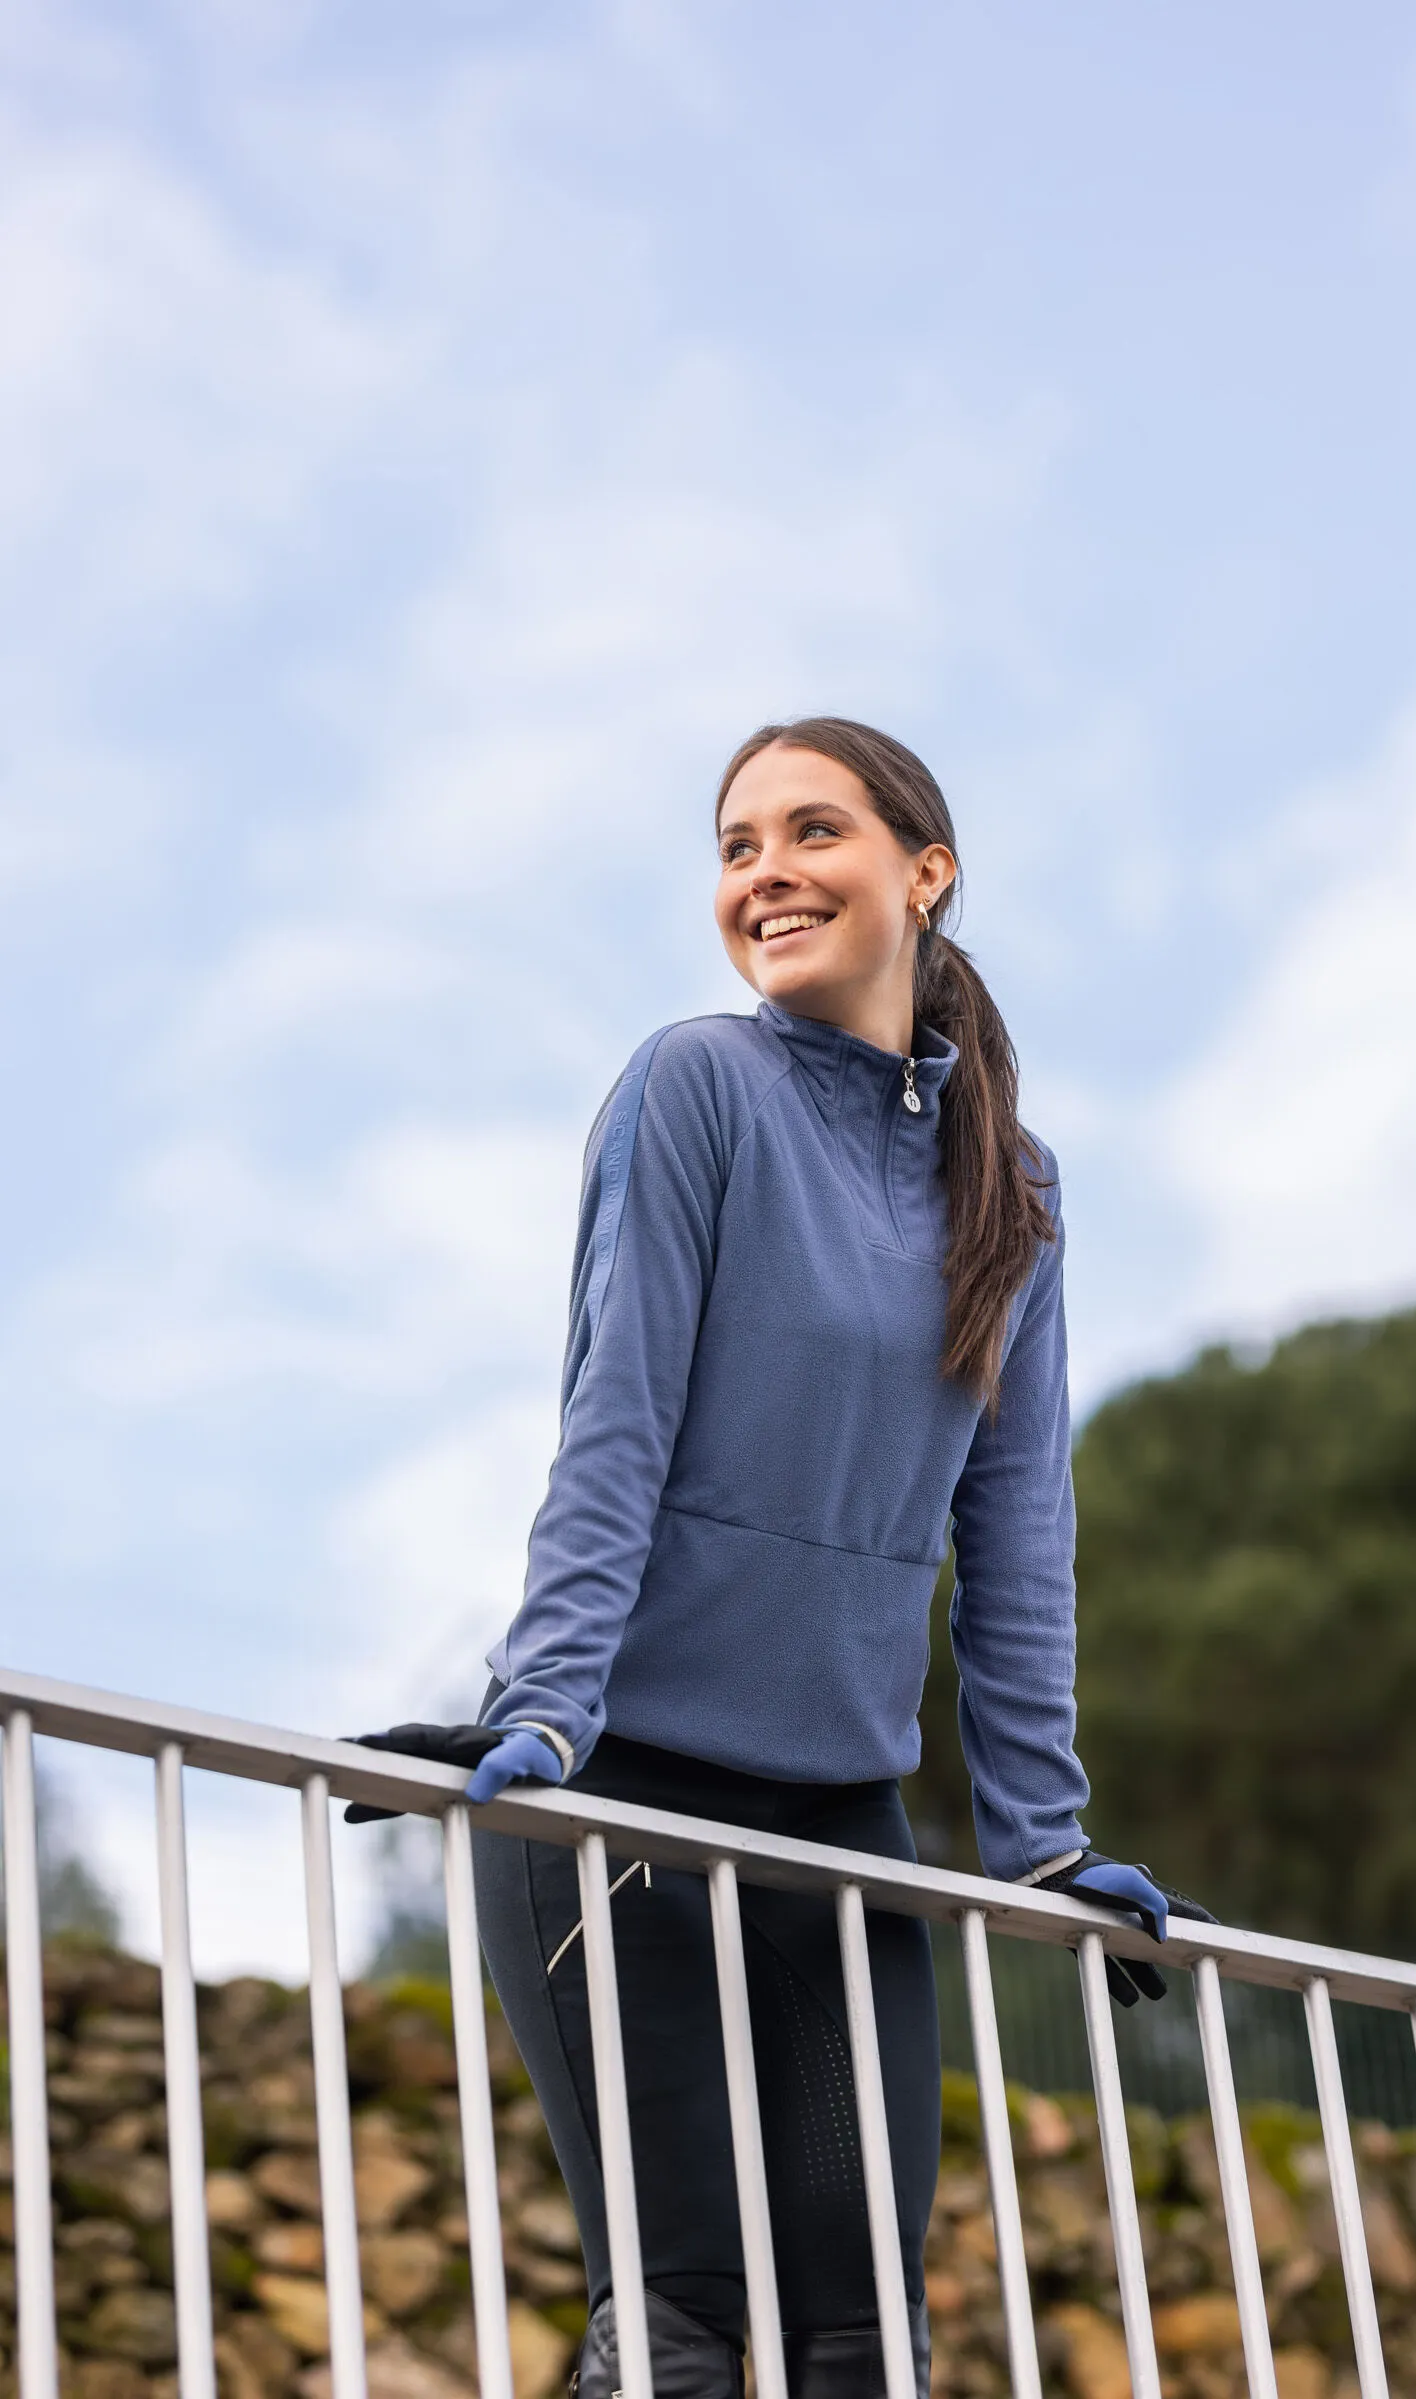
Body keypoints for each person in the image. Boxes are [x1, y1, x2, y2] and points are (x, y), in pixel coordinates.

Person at [356, 720, 1211, 2399]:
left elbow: (1017, 1534)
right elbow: (618, 1421)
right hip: (620, 1799)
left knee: (859, 2347)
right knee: (681, 2327)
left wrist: (1041, 1843)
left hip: (841, 1824)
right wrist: (546, 1713)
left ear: (926, 872)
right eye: (737, 846)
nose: (765, 874)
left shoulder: (1016, 1194)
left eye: (811, 831)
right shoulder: (697, 1089)